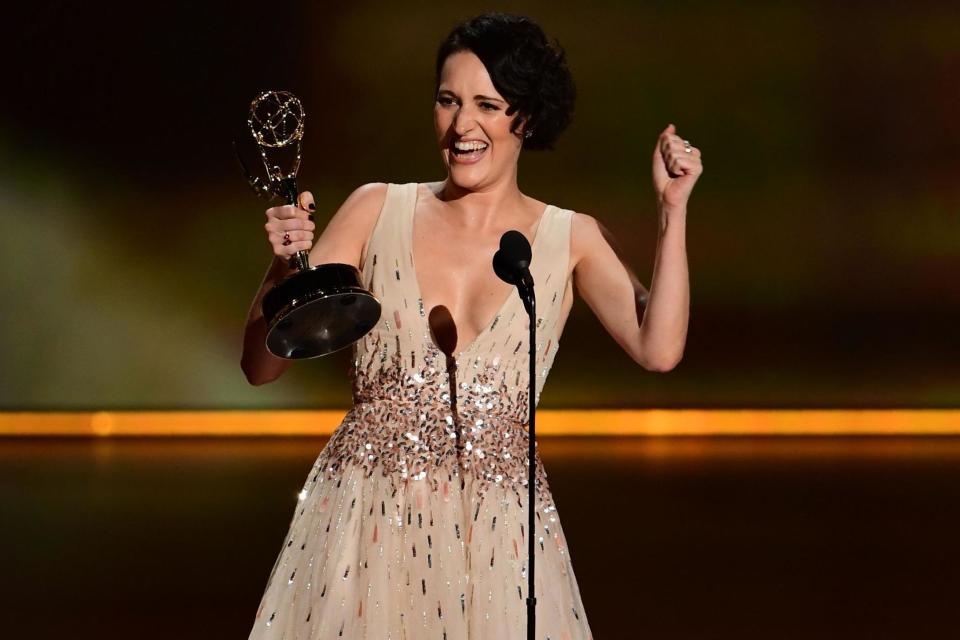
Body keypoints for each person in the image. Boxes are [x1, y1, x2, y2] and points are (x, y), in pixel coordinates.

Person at [241, 11, 699, 639]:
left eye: (488, 104)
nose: (462, 125)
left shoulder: (572, 238)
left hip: (501, 539)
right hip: (366, 522)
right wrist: (279, 267)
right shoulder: (378, 208)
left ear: (526, 117)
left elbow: (660, 348)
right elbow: (262, 367)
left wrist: (672, 212)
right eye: (448, 101)